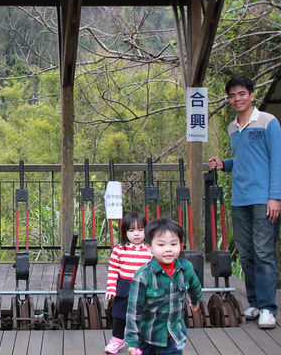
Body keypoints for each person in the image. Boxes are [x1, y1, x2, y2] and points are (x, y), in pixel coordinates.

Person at [208, 75, 281, 329]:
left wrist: (275, 197)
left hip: (264, 200)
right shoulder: (233, 128)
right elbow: (243, 160)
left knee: (264, 253)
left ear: (251, 95)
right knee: (247, 253)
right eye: (232, 96)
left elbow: (276, 160)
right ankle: (255, 303)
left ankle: (268, 308)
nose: (236, 99)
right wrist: (224, 164)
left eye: (241, 94)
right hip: (240, 200)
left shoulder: (268, 122)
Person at [125, 218, 202, 355]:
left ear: (181, 245)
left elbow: (195, 287)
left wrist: (195, 301)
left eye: (173, 244)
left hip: (174, 337)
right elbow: (133, 311)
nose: (168, 249)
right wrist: (132, 342)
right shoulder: (143, 275)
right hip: (148, 337)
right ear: (149, 247)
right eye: (161, 245)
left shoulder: (186, 268)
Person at [104, 212, 152, 354]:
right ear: (125, 232)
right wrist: (111, 288)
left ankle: (141, 342)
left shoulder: (150, 249)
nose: (136, 234)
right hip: (124, 287)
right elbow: (113, 270)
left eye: (140, 230)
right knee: (119, 314)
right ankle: (117, 339)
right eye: (131, 230)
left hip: (144, 288)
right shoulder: (119, 250)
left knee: (143, 315)